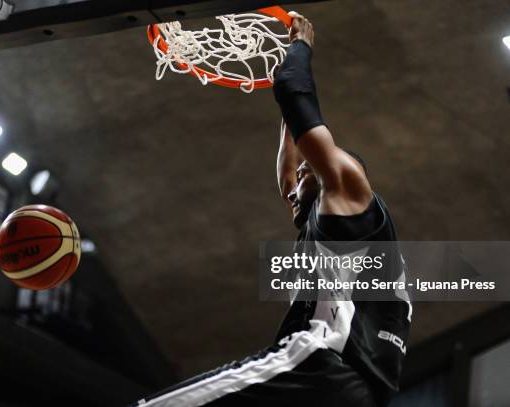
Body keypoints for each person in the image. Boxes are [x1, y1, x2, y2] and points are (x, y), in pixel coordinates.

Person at [130, 11, 411, 407]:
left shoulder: (348, 183)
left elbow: (294, 92)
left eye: (304, 175)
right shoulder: (344, 230)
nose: (293, 187)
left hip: (320, 370)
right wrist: (288, 116)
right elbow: (289, 176)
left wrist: (298, 47)